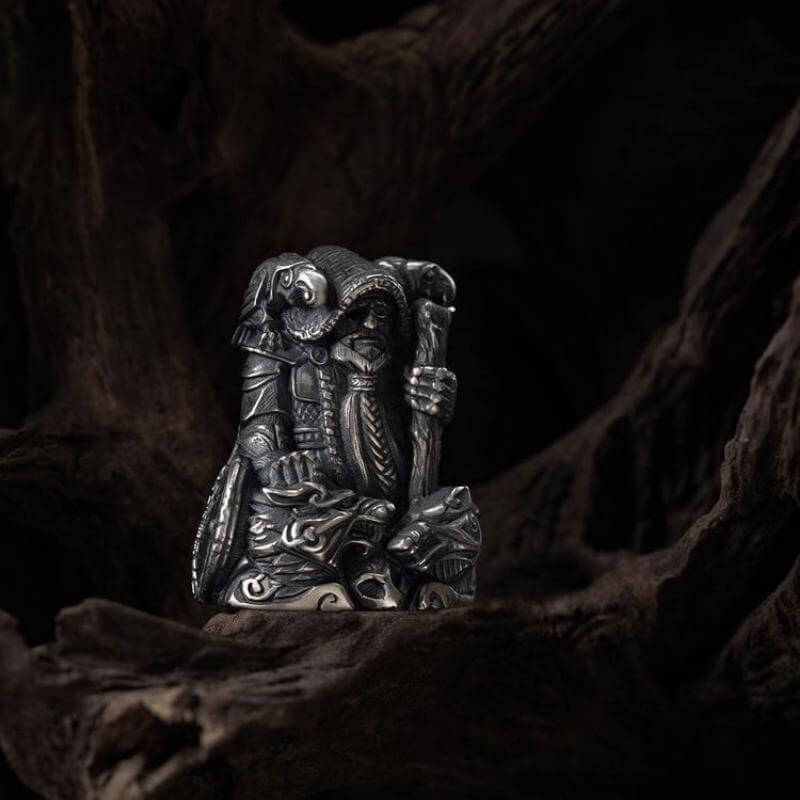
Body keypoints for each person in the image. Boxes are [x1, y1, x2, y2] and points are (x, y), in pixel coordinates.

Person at [192, 245, 479, 610]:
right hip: (323, 503)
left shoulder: (395, 362)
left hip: (396, 511)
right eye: (356, 313)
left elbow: (421, 432)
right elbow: (257, 426)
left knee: (454, 514)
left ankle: (397, 574)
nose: (370, 325)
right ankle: (358, 578)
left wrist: (434, 398)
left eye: (380, 314)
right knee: (286, 523)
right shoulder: (280, 354)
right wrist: (274, 461)